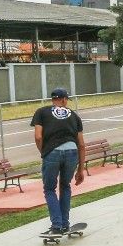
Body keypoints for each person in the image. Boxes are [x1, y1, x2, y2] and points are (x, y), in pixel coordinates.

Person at [31, 88, 85, 236]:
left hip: (52, 152)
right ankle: (65, 225)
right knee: (65, 186)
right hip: (72, 151)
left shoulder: (41, 112)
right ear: (64, 99)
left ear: (53, 99)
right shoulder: (74, 115)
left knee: (49, 189)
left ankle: (56, 226)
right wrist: (81, 169)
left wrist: (44, 152)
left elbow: (38, 136)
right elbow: (81, 144)